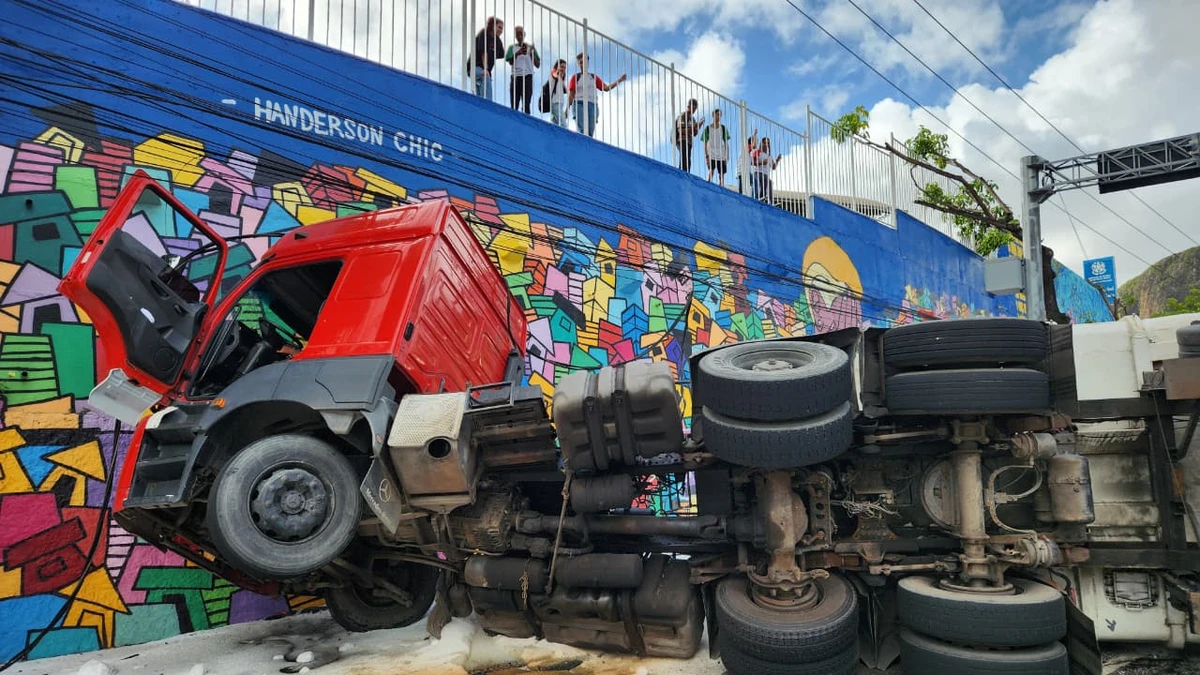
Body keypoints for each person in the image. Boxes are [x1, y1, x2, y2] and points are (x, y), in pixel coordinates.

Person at [567, 52, 627, 138]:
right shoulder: (575, 77)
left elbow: (606, 88)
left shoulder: (593, 77)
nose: (582, 64)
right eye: (580, 62)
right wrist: (567, 109)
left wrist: (620, 80)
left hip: (592, 105)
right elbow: (571, 94)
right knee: (582, 131)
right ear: (578, 64)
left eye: (584, 62)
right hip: (579, 103)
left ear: (588, 62)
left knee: (590, 132)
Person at [505, 26, 540, 114]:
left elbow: (537, 64)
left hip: (528, 77)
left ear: (524, 34)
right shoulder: (512, 48)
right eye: (517, 34)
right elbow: (509, 61)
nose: (519, 35)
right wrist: (518, 53)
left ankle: (526, 123)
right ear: (515, 36)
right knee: (514, 104)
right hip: (515, 77)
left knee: (526, 104)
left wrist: (531, 53)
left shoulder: (530, 47)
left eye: (521, 33)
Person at [468, 17, 505, 101]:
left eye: (502, 29)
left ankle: (480, 108)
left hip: (485, 70)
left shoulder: (498, 41)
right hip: (474, 67)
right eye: (499, 27)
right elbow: (484, 52)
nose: (501, 30)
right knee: (485, 78)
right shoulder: (484, 33)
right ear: (492, 26)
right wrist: (485, 69)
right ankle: (489, 104)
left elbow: (501, 54)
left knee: (481, 91)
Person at [673, 99, 703, 174]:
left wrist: (699, 125)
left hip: (689, 142)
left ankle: (686, 176)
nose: (694, 110)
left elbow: (695, 133)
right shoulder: (683, 115)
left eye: (695, 108)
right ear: (689, 106)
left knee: (688, 161)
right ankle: (680, 175)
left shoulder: (692, 119)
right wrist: (693, 127)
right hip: (682, 140)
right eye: (693, 108)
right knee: (683, 159)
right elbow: (681, 131)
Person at [701, 108, 730, 184]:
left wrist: (727, 155)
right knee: (711, 171)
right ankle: (708, 186)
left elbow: (726, 143)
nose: (719, 117)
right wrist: (706, 156)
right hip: (711, 154)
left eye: (720, 115)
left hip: (721, 154)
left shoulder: (723, 128)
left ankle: (722, 188)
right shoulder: (707, 129)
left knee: (721, 174)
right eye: (717, 115)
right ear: (713, 115)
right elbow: (704, 143)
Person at [752, 136, 782, 203]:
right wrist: (762, 162)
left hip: (766, 174)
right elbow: (753, 162)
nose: (766, 145)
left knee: (769, 184)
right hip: (758, 173)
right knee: (760, 187)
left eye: (767, 143)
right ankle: (758, 199)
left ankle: (770, 202)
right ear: (761, 143)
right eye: (764, 143)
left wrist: (777, 160)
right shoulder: (757, 151)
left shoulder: (769, 156)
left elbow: (773, 167)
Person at [540, 59, 569, 127]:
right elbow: (554, 74)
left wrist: (562, 79)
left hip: (559, 104)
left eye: (564, 68)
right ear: (557, 66)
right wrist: (558, 72)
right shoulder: (553, 74)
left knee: (555, 126)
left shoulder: (561, 78)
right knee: (563, 125)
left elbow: (566, 90)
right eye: (561, 67)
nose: (563, 69)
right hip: (555, 103)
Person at [739, 129, 758, 196]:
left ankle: (752, 197)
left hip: (744, 171)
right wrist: (755, 135)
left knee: (743, 187)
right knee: (755, 183)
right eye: (755, 141)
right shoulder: (747, 147)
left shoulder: (748, 153)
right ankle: (753, 197)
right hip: (743, 171)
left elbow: (753, 163)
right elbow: (753, 146)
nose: (756, 143)